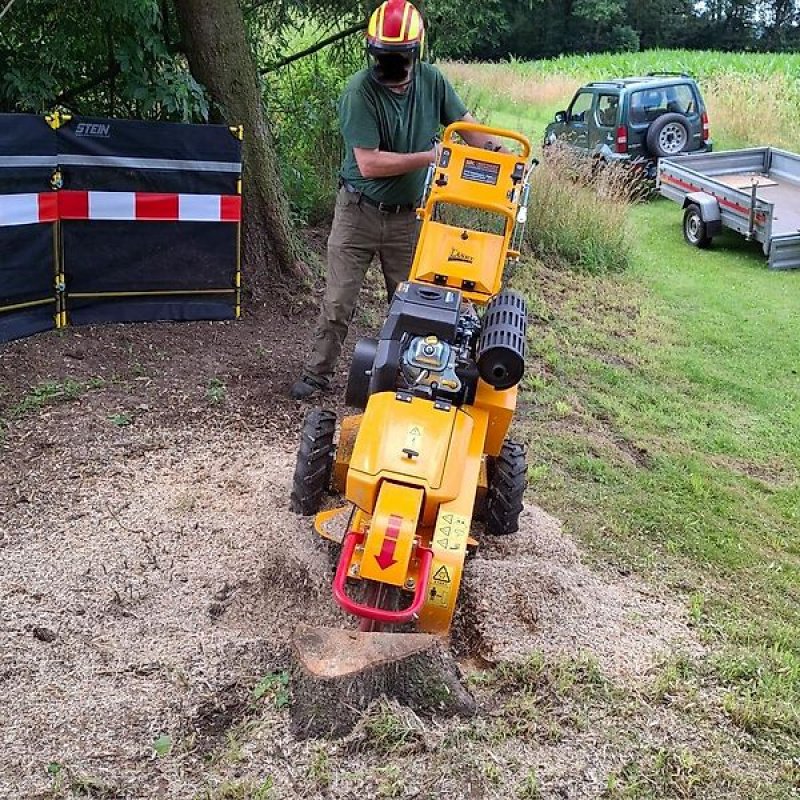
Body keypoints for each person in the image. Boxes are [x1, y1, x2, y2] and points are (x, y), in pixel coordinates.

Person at [291, 0, 504, 400]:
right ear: (373, 53)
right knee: (338, 301)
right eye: (384, 58)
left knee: (415, 305)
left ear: (414, 52)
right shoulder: (360, 92)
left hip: (409, 218)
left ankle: (410, 381)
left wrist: (504, 155)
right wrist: (429, 157)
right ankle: (317, 374)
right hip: (359, 212)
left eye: (398, 58)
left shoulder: (432, 82)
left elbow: (469, 129)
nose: (390, 67)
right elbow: (368, 164)